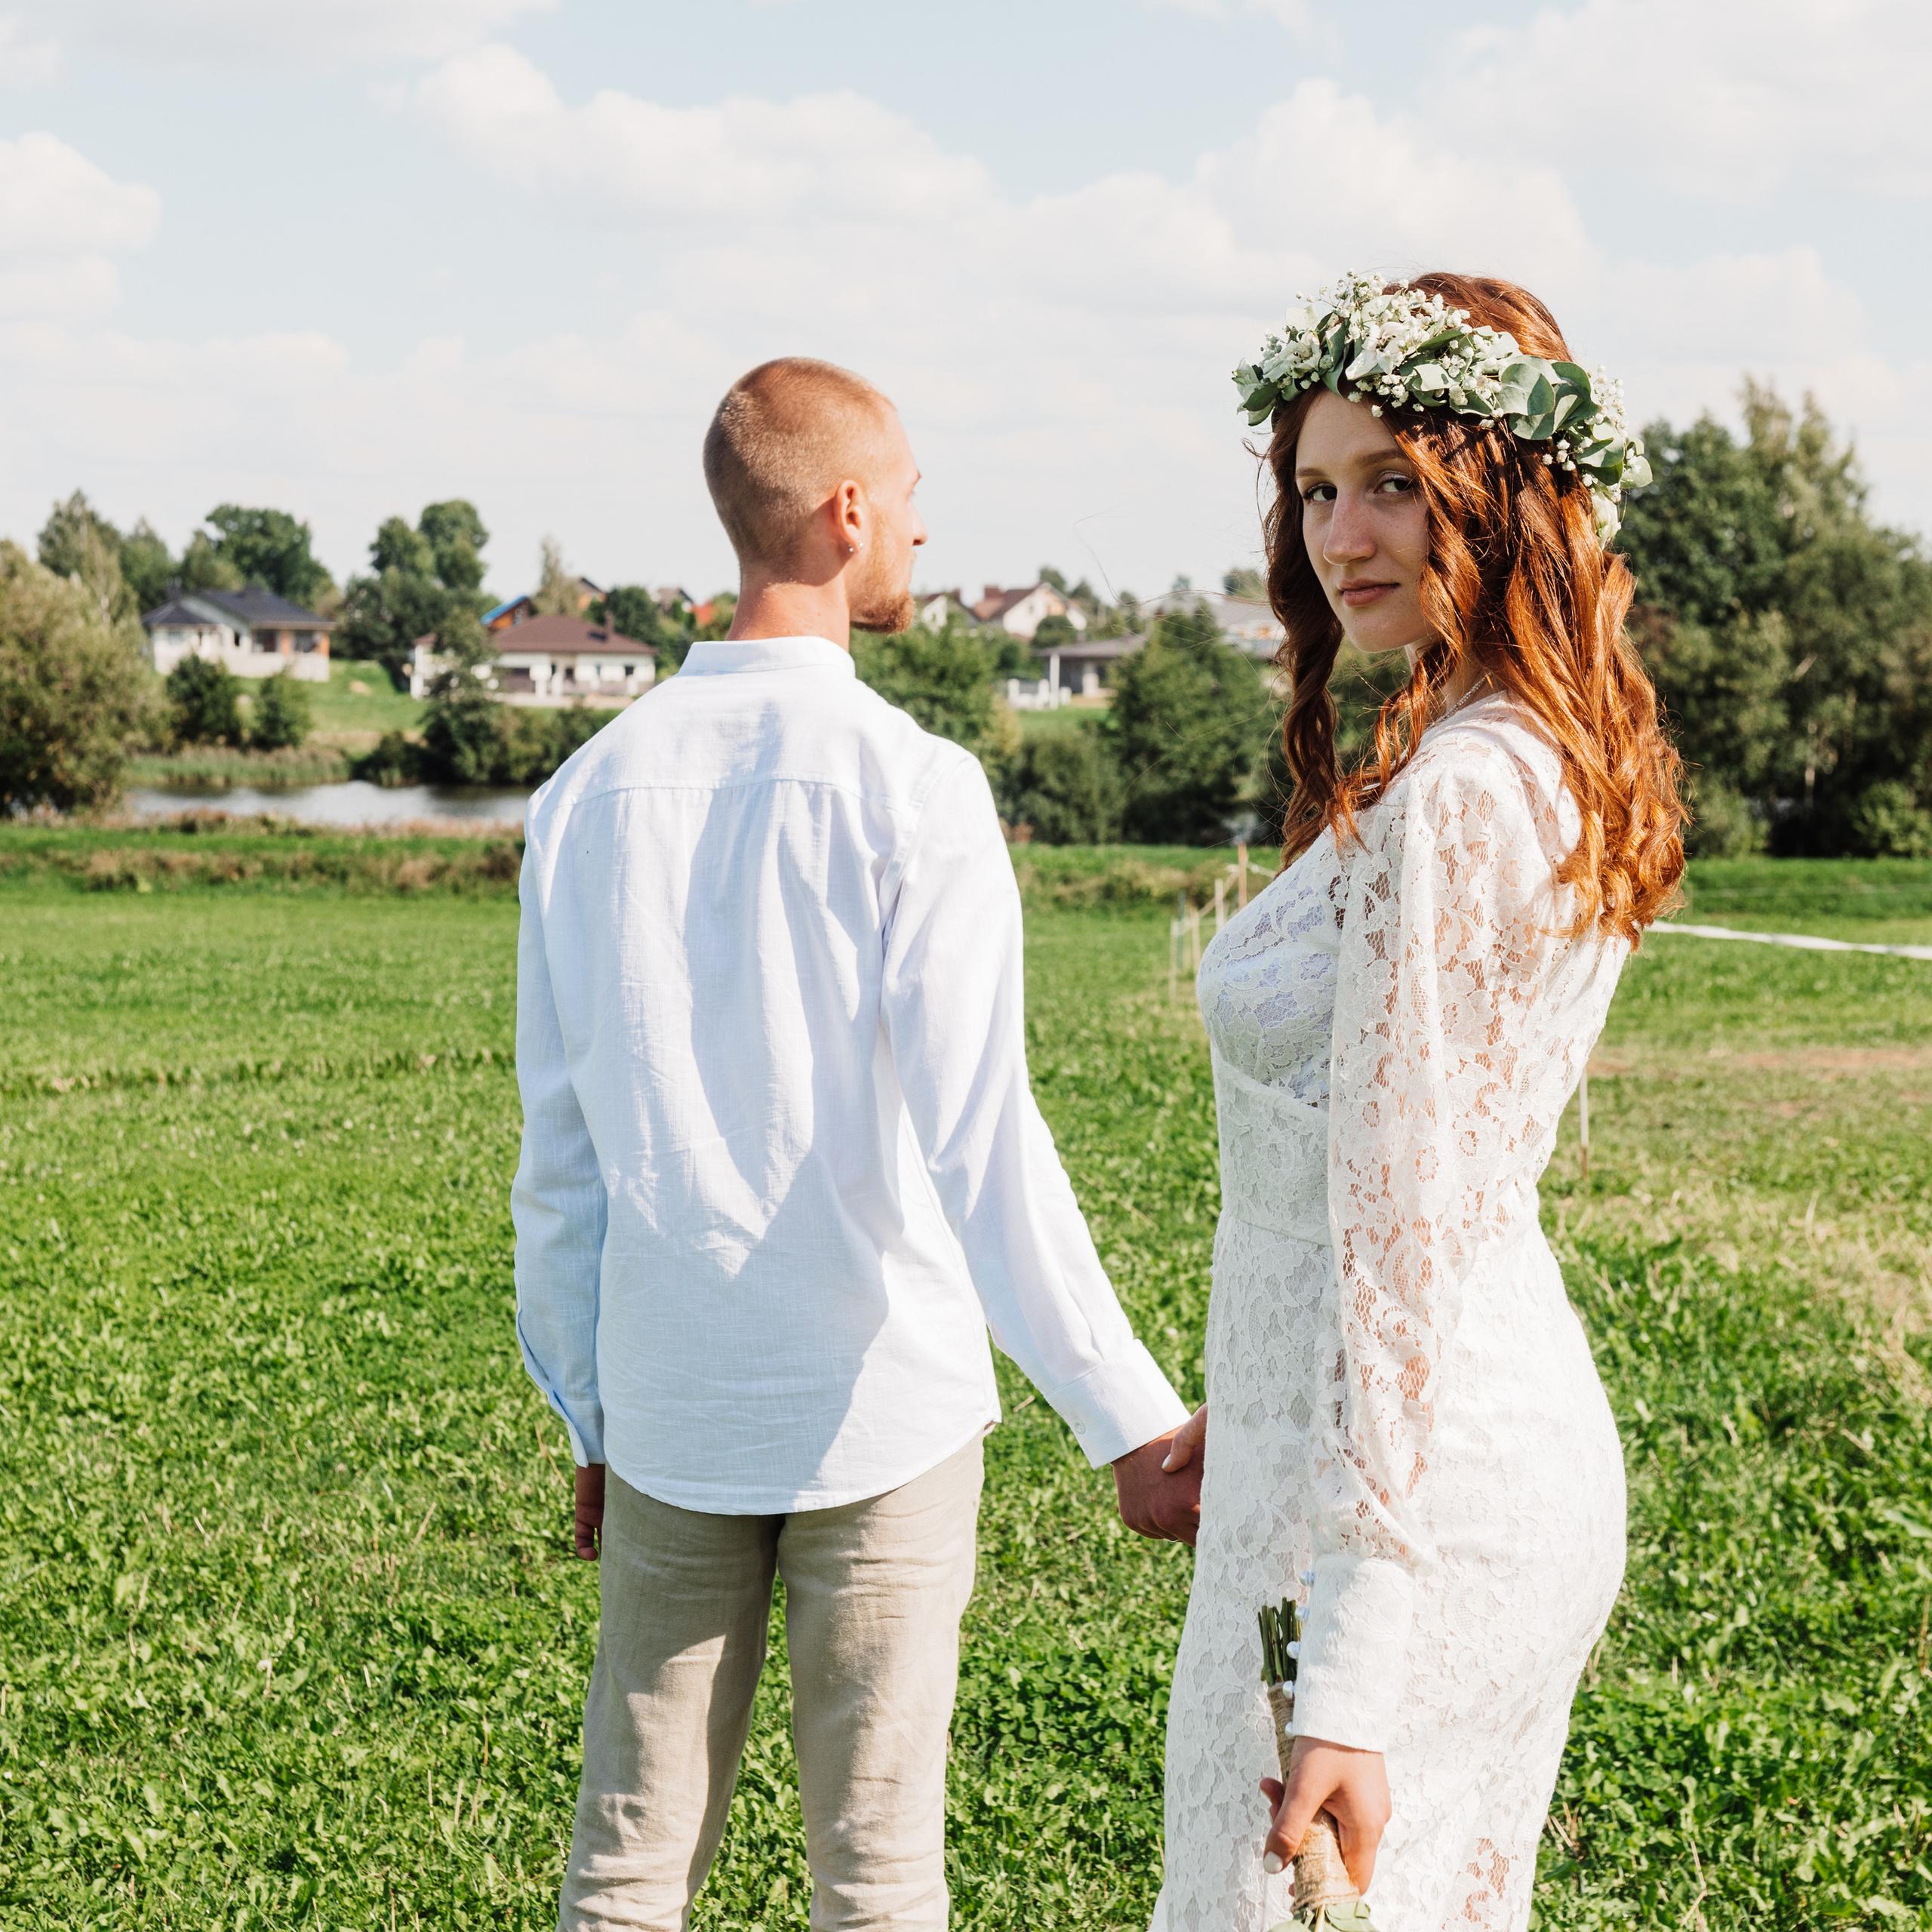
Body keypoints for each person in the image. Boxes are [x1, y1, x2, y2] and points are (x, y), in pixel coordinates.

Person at [511, 355, 1198, 1932]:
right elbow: (980, 1137)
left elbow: (560, 1161)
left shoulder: (580, 795)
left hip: (671, 1409)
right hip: (884, 1411)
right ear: (844, 512)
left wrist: (589, 1411)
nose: (921, 534)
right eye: (908, 501)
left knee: (627, 1864)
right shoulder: (918, 787)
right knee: (877, 1872)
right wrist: (1127, 1418)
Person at [1153, 272, 1686, 1931]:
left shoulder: (1463, 792)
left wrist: (1349, 1672)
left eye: (1391, 481)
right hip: (1370, 1442)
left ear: (1506, 487)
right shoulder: (1506, 746)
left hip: (1413, 1502)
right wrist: (1254, 1392)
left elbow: (1403, 1237)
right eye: (1315, 490)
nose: (1342, 535)